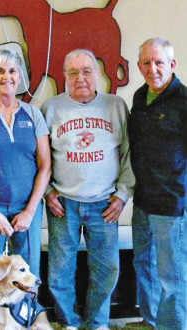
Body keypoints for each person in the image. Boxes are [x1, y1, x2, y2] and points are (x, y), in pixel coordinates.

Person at [41, 49, 135, 329]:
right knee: (59, 272)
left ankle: (96, 323)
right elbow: (39, 157)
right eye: (73, 72)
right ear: (64, 76)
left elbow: (130, 154)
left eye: (86, 71)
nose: (80, 78)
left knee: (107, 270)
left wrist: (122, 194)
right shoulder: (50, 108)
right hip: (63, 204)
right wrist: (48, 191)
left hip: (105, 204)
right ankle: (69, 323)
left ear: (98, 74)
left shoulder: (116, 106)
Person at [0, 49, 51, 291]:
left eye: (12, 71)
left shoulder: (33, 114)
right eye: (0, 71)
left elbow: (45, 167)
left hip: (27, 210)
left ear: (20, 76)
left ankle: (22, 324)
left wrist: (30, 211)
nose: (7, 76)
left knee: (27, 275)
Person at [127, 38, 187, 330]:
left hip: (171, 206)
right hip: (142, 204)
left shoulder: (184, 102)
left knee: (171, 277)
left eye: (159, 62)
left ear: (172, 65)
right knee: (144, 267)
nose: (153, 69)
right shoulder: (139, 98)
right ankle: (150, 322)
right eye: (147, 63)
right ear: (139, 66)